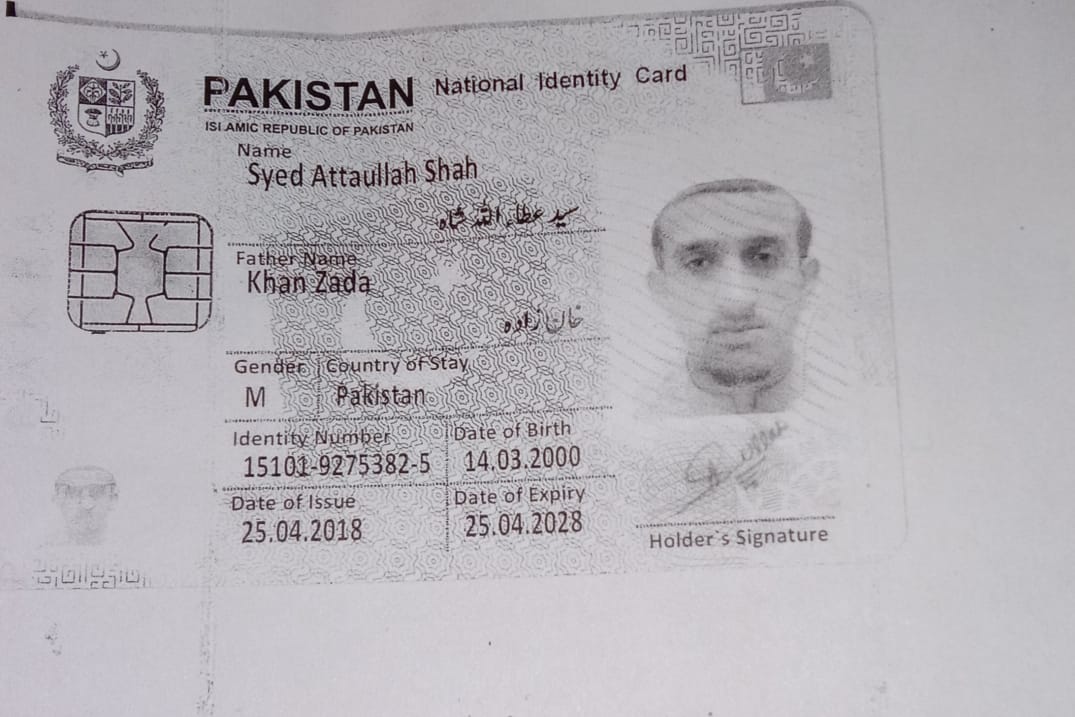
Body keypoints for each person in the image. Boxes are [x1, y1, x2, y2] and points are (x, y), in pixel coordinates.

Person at [646, 179, 819, 415]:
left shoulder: (858, 407)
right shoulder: (633, 417)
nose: (736, 301)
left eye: (764, 258)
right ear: (662, 289)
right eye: (699, 262)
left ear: (806, 279)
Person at [52, 465, 118, 546]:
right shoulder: (44, 549)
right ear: (58, 499)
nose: (86, 504)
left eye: (97, 492)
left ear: (113, 499)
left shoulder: (125, 546)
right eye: (73, 492)